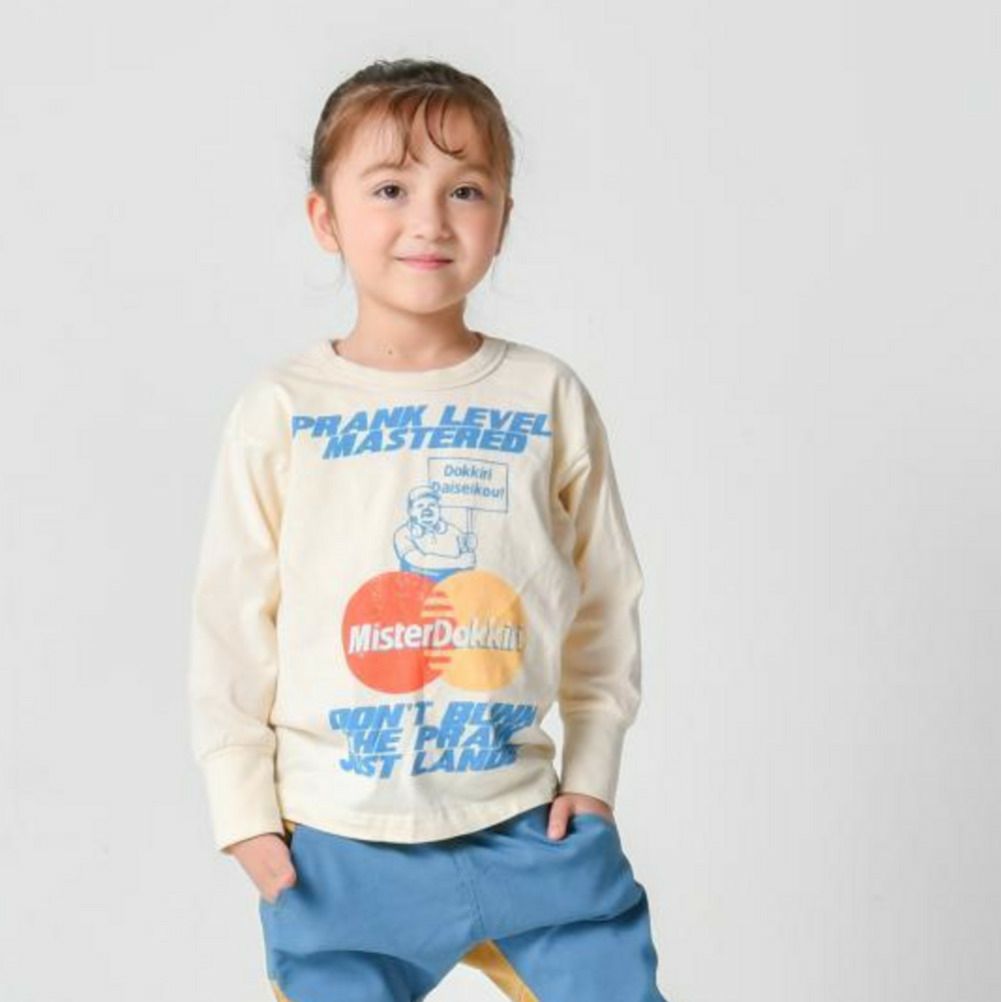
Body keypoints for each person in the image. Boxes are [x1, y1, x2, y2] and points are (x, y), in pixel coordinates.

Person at [188, 57, 668, 1002]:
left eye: (466, 190)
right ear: (325, 217)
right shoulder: (282, 408)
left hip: (526, 825)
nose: (430, 220)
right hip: (338, 844)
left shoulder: (545, 395)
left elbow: (607, 598)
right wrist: (242, 808)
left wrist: (593, 772)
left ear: (504, 218)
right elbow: (231, 618)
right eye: (390, 189)